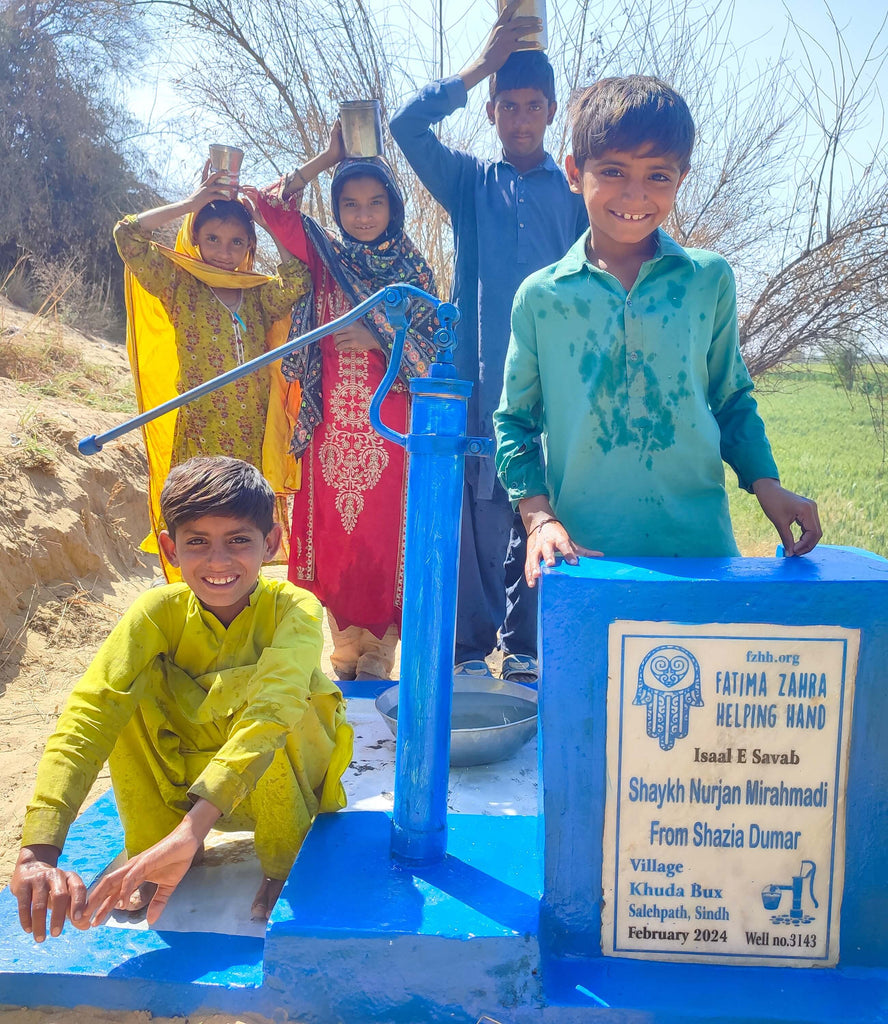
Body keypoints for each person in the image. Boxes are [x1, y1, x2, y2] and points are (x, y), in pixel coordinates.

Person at [494, 75, 822, 587]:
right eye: (613, 171)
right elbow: (515, 421)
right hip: (585, 558)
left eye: (658, 176)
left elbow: (731, 399)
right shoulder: (541, 297)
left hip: (700, 552)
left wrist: (767, 485)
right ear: (574, 173)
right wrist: (539, 519)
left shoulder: (707, 279)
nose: (635, 194)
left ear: (682, 177)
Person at [10, 457, 353, 941]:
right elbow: (90, 714)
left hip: (286, 785)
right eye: (197, 542)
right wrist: (39, 850)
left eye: (239, 540)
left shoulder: (294, 606)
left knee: (283, 706)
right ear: (170, 549)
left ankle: (282, 859)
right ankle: (160, 848)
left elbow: (272, 710)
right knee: (122, 698)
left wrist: (195, 828)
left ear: (271, 544)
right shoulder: (155, 613)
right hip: (186, 785)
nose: (218, 561)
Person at [390, 1, 588, 683]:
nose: (522, 118)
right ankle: (471, 653)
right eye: (509, 105)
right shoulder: (472, 183)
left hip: (556, 388)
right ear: (492, 112)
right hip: (479, 378)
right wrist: (481, 63)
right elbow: (406, 126)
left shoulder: (573, 191)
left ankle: (530, 645)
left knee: (543, 505)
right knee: (477, 515)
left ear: (552, 111)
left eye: (535, 105)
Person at [248, 126, 438, 683]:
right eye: (349, 203)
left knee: (383, 541)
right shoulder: (323, 257)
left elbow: (435, 354)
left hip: (390, 432)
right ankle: (344, 653)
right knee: (335, 539)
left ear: (394, 206)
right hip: (328, 428)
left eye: (375, 202)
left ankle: (381, 654)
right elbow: (266, 203)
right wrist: (327, 157)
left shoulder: (414, 272)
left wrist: (382, 339)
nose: (362, 214)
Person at [114, 170, 310, 577]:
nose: (224, 251)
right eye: (213, 239)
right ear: (196, 238)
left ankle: (241, 595)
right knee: (199, 518)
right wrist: (191, 203)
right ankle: (196, 597)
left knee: (245, 523)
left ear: (249, 246)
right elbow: (128, 235)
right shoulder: (180, 284)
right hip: (201, 427)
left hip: (252, 429)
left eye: (237, 241)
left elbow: (297, 278)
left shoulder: (258, 294)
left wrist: (267, 223)